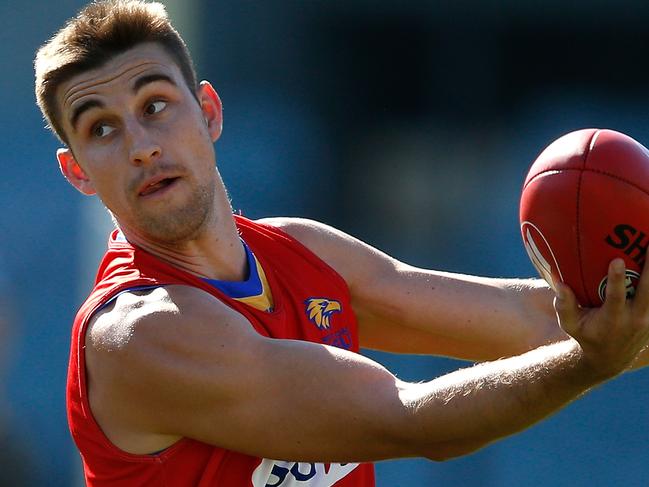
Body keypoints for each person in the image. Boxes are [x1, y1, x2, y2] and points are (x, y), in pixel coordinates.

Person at [34, 1, 649, 486]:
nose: (141, 144)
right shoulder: (141, 335)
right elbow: (411, 420)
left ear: (209, 112)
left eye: (156, 104)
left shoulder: (301, 254)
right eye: (103, 128)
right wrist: (593, 358)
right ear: (78, 171)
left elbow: (531, 318)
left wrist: (624, 310)